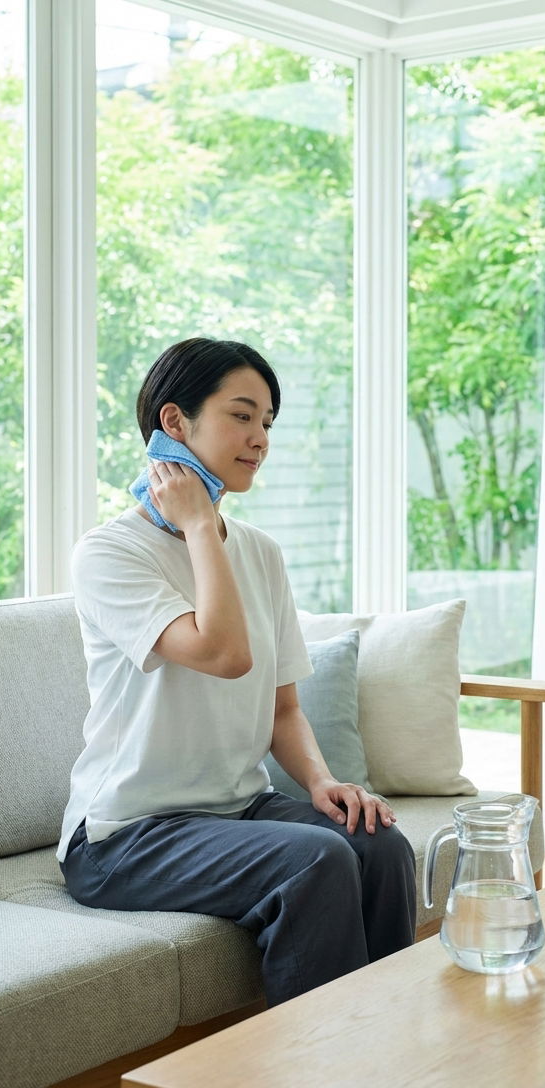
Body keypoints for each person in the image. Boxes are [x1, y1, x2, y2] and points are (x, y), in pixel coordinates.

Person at [58, 337, 416, 1006]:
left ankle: (381, 1045)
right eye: (242, 415)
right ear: (174, 423)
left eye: (269, 422)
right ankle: (311, 1070)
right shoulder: (108, 554)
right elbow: (225, 654)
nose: (260, 438)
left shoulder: (259, 552)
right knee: (317, 859)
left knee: (378, 843)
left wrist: (323, 783)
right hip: (125, 835)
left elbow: (282, 708)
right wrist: (197, 525)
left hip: (236, 809)